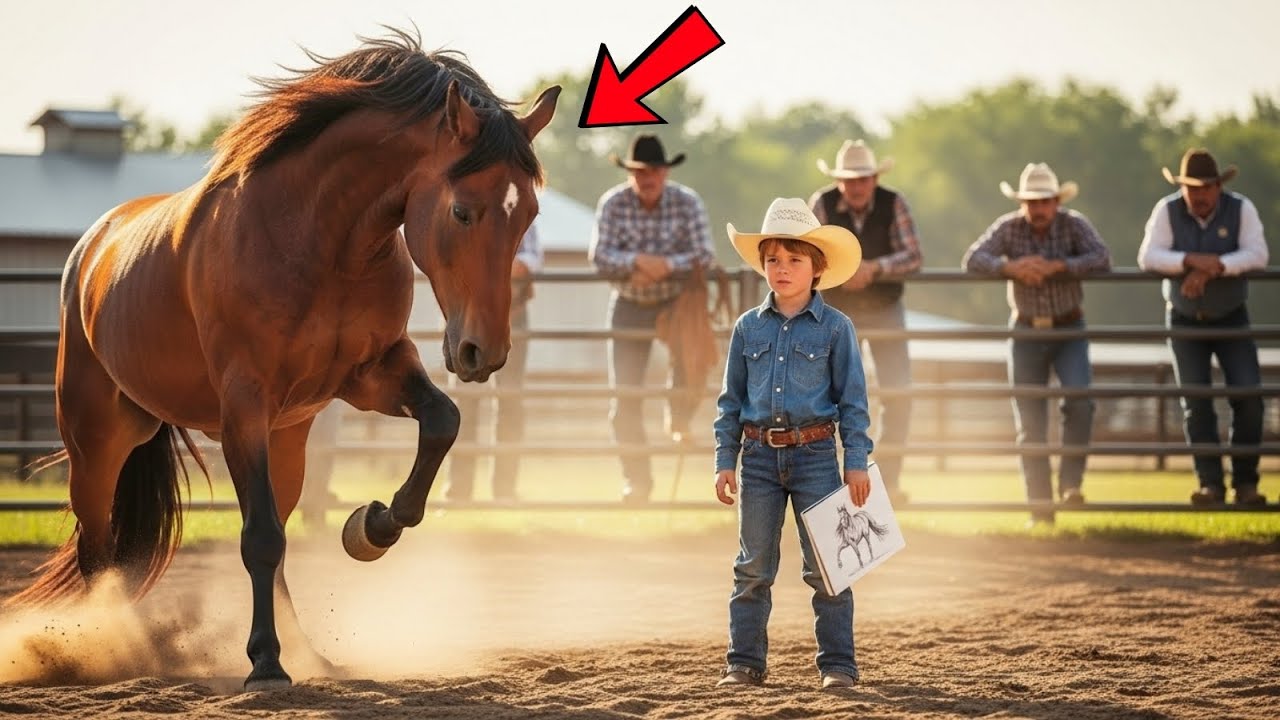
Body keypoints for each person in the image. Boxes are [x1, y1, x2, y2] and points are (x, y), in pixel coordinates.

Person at [713, 197, 872, 690]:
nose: (781, 269)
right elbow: (730, 402)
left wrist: (857, 461)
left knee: (828, 565)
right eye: (773, 259)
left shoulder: (837, 329)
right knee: (753, 566)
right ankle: (743, 663)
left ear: (817, 268)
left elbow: (853, 402)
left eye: (794, 260)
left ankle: (838, 666)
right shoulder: (748, 328)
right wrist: (725, 460)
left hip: (816, 457)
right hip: (758, 457)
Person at [961, 163, 1111, 525]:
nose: (1038, 208)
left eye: (1044, 201)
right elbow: (973, 259)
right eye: (1032, 201)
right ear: (1023, 202)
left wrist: (1057, 266)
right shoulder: (1009, 227)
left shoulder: (1074, 224)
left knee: (1079, 400)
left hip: (1067, 325)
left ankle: (1070, 484)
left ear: (1057, 201)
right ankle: (1040, 509)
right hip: (1027, 329)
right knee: (1030, 419)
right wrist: (1009, 268)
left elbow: (1102, 258)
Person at [1137, 148, 1269, 507]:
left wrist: (1217, 267)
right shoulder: (1167, 210)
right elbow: (1148, 256)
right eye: (1191, 188)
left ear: (1217, 187)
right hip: (1184, 317)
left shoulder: (1241, 208)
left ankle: (1245, 483)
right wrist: (1191, 261)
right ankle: (1210, 484)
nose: (1198, 196)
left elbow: (1258, 254)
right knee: (1196, 403)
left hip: (1231, 315)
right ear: (1182, 188)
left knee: (1249, 397)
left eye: (1205, 188)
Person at [589, 134, 716, 504]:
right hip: (630, 301)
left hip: (676, 304)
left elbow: (704, 254)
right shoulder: (613, 203)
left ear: (664, 172)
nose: (648, 178)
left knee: (693, 369)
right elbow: (599, 255)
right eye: (640, 171)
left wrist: (663, 267)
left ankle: (679, 416)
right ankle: (637, 481)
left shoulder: (686, 202)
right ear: (631, 173)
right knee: (624, 396)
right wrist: (638, 264)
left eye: (654, 171)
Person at [809, 139, 923, 504]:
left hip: (883, 306)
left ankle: (886, 481)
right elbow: (810, 254)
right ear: (840, 181)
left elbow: (913, 256)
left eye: (863, 178)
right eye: (850, 179)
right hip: (837, 311)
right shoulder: (822, 203)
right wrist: (847, 272)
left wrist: (874, 269)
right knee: (829, 396)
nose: (857, 185)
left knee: (898, 392)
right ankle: (833, 480)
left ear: (874, 179)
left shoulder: (894, 202)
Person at [445, 222, 543, 502]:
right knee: (465, 401)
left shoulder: (518, 211)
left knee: (510, 401)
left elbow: (533, 259)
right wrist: (502, 267)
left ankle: (504, 489)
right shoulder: (464, 211)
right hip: (470, 316)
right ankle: (459, 488)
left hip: (511, 313)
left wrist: (492, 267)